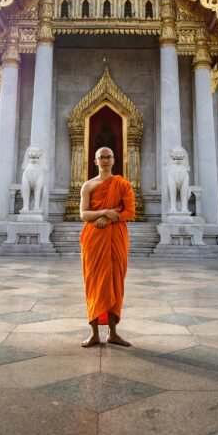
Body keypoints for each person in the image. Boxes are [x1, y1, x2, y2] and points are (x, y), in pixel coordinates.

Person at [79, 146, 135, 347]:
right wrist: (105, 212)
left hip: (116, 237)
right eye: (100, 157)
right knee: (94, 283)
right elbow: (83, 214)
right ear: (95, 161)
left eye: (108, 157)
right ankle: (94, 333)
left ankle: (113, 333)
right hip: (94, 239)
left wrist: (110, 219)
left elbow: (130, 212)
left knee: (115, 282)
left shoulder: (123, 185)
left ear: (114, 160)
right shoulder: (88, 186)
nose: (104, 160)